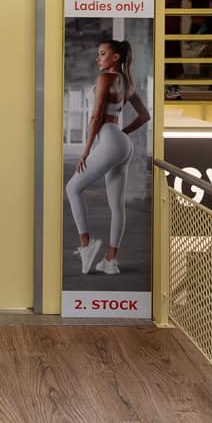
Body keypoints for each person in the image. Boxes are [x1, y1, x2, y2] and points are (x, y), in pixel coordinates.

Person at [66, 37, 151, 277]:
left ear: (115, 57)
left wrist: (86, 151)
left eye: (102, 54)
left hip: (109, 139)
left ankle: (86, 245)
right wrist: (122, 134)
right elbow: (144, 116)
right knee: (117, 206)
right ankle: (111, 261)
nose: (98, 58)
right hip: (121, 143)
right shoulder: (127, 82)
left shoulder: (105, 78)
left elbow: (96, 117)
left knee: (72, 188)